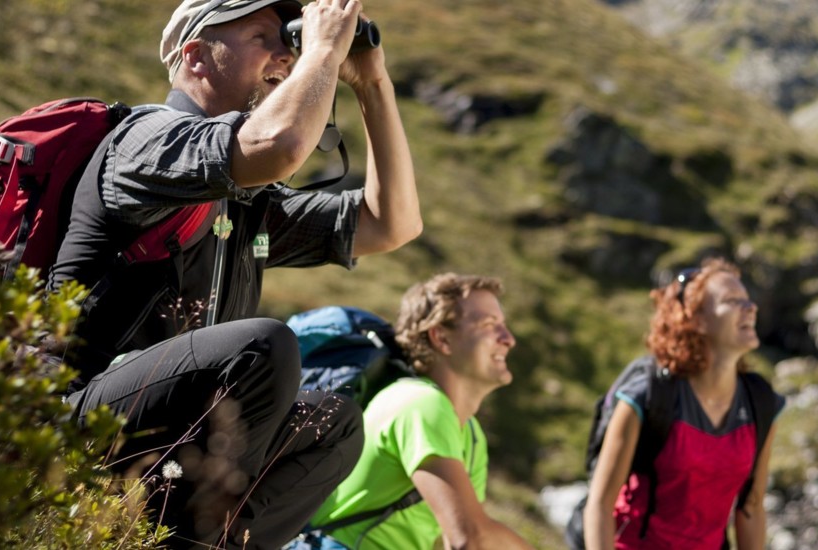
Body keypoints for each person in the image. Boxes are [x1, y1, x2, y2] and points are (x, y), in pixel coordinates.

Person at [49, 0, 421, 547]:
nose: (285, 55)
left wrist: (372, 83)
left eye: (290, 42)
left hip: (169, 439)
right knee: (263, 346)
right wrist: (321, 49)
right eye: (263, 37)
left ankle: (207, 541)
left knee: (335, 421)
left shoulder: (250, 205)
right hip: (73, 419)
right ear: (197, 56)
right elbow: (279, 147)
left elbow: (392, 223)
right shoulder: (149, 140)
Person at [296, 274, 533, 550]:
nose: (509, 339)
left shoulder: (470, 433)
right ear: (441, 337)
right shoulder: (420, 404)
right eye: (490, 325)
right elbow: (470, 538)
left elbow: (450, 541)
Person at [582, 258, 785, 550]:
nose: (750, 307)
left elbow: (751, 507)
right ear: (697, 319)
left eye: (748, 300)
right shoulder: (647, 397)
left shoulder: (761, 403)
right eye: (732, 301)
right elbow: (600, 506)